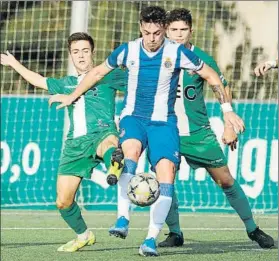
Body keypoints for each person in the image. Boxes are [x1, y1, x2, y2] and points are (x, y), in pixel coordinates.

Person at [48, 6, 245, 257]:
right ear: (141, 28)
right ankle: (122, 218)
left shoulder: (177, 52)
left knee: (166, 175)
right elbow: (97, 73)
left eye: (157, 33)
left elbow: (213, 77)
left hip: (163, 123)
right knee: (128, 153)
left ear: (164, 30)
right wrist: (71, 96)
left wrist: (227, 111)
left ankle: (151, 239)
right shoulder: (128, 50)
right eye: (147, 32)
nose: (152, 38)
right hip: (134, 118)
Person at [157, 8, 274, 249]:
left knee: (226, 181)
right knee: (165, 182)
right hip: (166, 132)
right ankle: (175, 233)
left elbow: (221, 85)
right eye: (173, 30)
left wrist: (229, 121)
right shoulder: (154, 58)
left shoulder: (201, 59)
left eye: (183, 30)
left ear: (191, 31)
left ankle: (252, 228)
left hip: (199, 134)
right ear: (166, 31)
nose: (178, 35)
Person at [0, 32, 126, 252]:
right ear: (70, 55)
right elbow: (38, 80)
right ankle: (84, 235)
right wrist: (14, 64)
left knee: (109, 144)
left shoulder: (108, 76)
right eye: (76, 52)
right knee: (63, 202)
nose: (81, 56)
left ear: (93, 53)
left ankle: (114, 166)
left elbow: (139, 83)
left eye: (85, 51)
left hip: (102, 133)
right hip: (74, 146)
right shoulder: (65, 83)